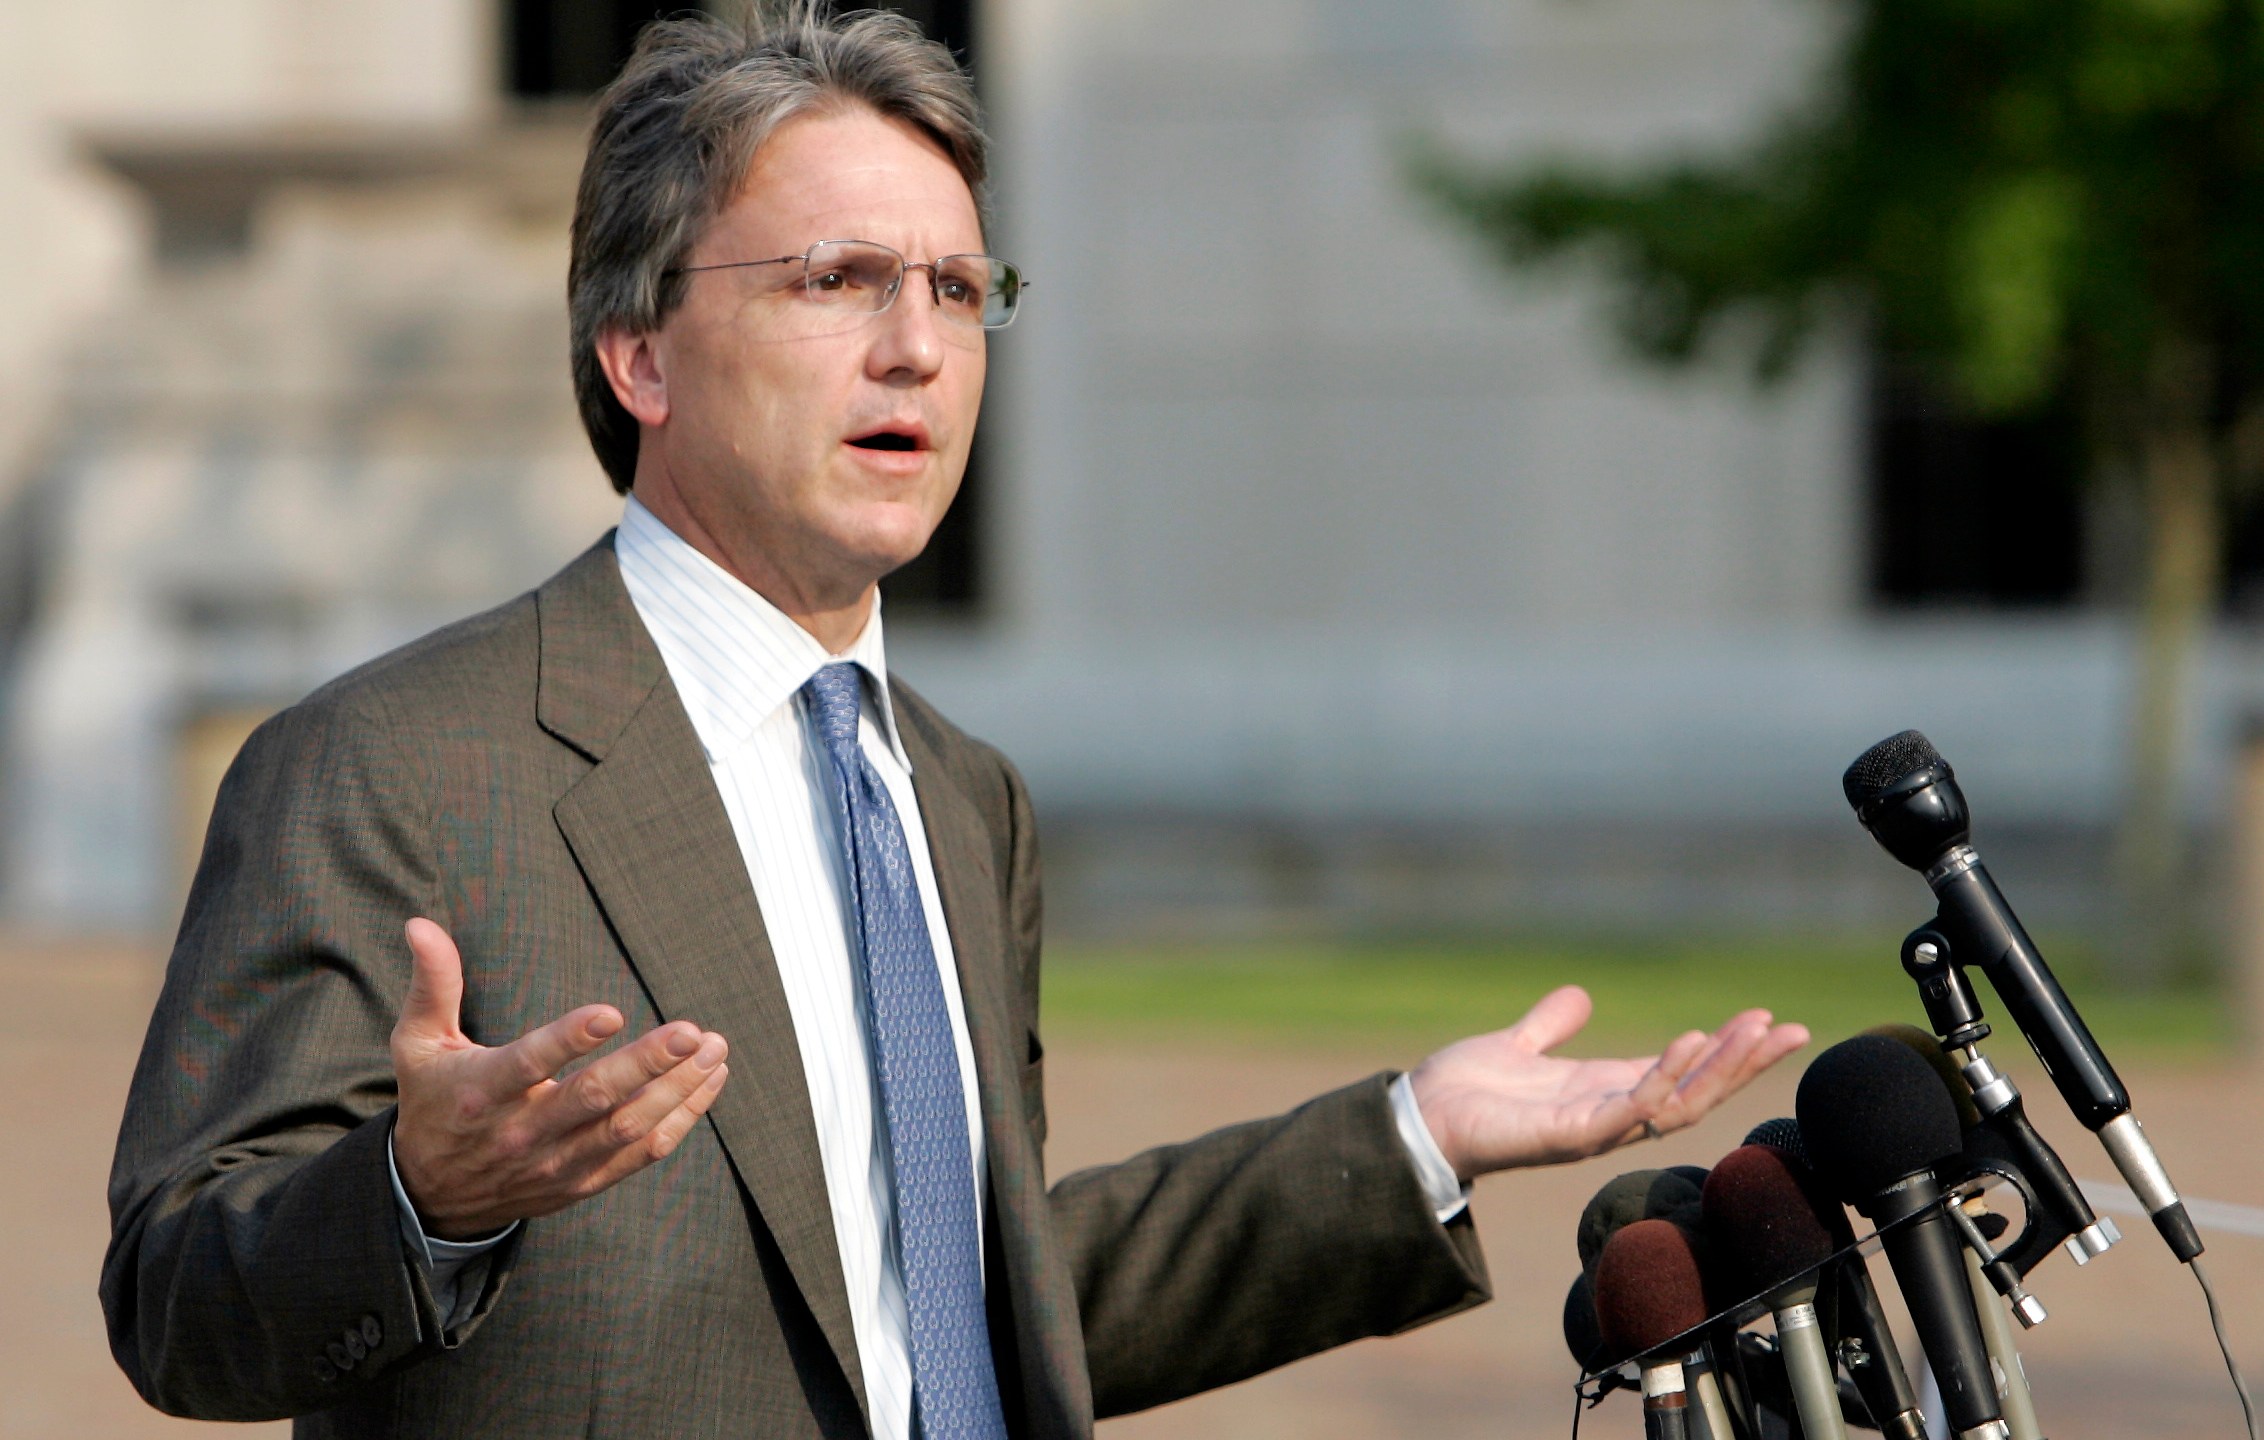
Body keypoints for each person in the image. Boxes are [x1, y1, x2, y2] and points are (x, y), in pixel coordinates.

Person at [101, 9, 1808, 1437]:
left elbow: (952, 1312)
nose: (920, 350)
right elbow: (177, 1301)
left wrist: (1412, 1137)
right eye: (841, 281)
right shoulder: (389, 762)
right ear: (640, 350)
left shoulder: (961, 795)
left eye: (958, 287)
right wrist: (423, 1191)